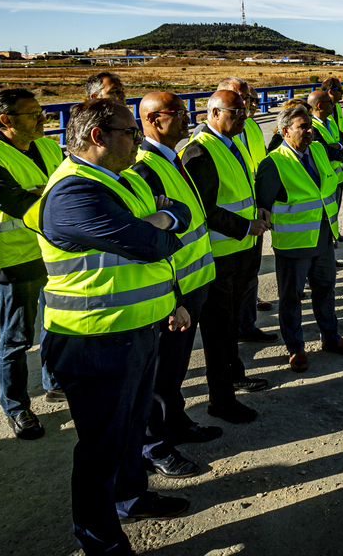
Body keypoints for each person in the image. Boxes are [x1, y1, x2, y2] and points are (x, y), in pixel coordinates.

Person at [27, 99, 193, 555]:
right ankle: (99, 540)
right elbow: (151, 243)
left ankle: (131, 496)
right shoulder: (73, 193)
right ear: (98, 136)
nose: (138, 141)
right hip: (94, 339)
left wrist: (170, 293)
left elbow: (178, 213)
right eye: (130, 133)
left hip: (137, 328)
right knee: (101, 447)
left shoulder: (121, 181)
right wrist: (157, 223)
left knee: (132, 427)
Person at [0, 88, 64, 440]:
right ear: (5, 120)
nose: (42, 118)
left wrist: (44, 193)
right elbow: (18, 202)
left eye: (42, 111)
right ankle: (17, 407)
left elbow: (69, 185)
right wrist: (50, 194)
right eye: (33, 114)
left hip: (53, 253)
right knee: (17, 338)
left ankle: (54, 381)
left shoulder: (47, 146)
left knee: (58, 323)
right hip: (14, 259)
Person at [130, 93, 221, 479]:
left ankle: (176, 422)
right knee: (158, 374)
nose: (189, 119)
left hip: (194, 281)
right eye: (178, 114)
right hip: (174, 291)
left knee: (176, 369)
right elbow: (151, 242)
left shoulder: (173, 159)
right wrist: (172, 298)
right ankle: (155, 446)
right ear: (152, 120)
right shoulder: (146, 169)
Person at [180, 90, 272, 424]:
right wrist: (245, 225)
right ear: (216, 112)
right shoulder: (200, 150)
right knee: (218, 331)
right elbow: (205, 208)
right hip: (220, 256)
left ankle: (234, 374)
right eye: (238, 111)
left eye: (246, 111)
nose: (245, 117)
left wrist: (257, 209)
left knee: (230, 324)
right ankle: (221, 399)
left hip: (239, 251)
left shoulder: (230, 143)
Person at [255, 104, 343, 372]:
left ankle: (331, 337)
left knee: (326, 291)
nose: (310, 131)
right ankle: (296, 349)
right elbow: (263, 207)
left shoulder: (317, 150)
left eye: (310, 125)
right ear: (285, 131)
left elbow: (330, 180)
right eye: (303, 127)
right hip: (294, 245)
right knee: (291, 299)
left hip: (323, 239)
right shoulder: (273, 163)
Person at [217, 77, 278, 341]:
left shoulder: (250, 127)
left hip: (254, 215)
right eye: (239, 98)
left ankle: (248, 323)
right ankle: (237, 330)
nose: (245, 103)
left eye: (248, 98)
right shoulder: (206, 137)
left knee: (250, 274)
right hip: (228, 228)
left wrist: (263, 204)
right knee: (228, 289)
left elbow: (260, 167)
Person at [307, 90, 343, 267]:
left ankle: (330, 256)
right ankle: (324, 260)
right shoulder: (312, 126)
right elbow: (322, 150)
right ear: (320, 105)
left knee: (332, 218)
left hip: (336, 178)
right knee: (322, 223)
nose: (334, 105)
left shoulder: (330, 122)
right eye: (330, 103)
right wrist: (339, 150)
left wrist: (338, 146)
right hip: (323, 182)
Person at [319, 78, 343, 242]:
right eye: (340, 89)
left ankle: (335, 234)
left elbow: (340, 135)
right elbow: (325, 147)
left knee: (336, 206)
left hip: (338, 167)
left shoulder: (336, 108)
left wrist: (339, 144)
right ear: (331, 91)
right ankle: (330, 238)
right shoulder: (319, 113)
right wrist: (339, 147)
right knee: (328, 207)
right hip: (327, 170)